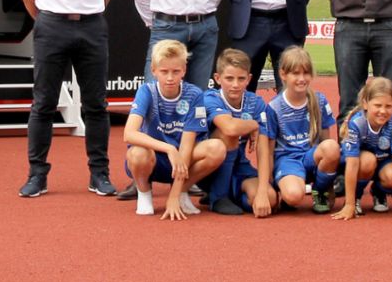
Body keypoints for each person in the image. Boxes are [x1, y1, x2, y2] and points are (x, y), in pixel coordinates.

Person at [17, 0, 119, 199]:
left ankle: (99, 175)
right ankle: (37, 175)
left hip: (91, 27)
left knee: (96, 106)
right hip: (51, 27)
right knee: (43, 104)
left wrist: (84, 13)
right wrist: (48, 19)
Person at [123, 39, 226, 219]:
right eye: (164, 72)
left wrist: (174, 196)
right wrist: (169, 148)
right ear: (154, 71)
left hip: (182, 161)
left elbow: (186, 147)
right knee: (137, 153)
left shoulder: (194, 94)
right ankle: (144, 193)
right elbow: (129, 134)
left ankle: (182, 192)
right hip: (155, 158)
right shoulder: (146, 91)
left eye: (176, 71)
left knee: (216, 148)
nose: (170, 78)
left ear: (184, 71)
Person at [255, 46, 341, 216]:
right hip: (287, 160)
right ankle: (287, 188)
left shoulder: (319, 101)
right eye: (295, 73)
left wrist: (329, 183)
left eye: (306, 73)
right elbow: (268, 151)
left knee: (332, 147)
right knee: (294, 196)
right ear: (283, 75)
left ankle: (320, 190)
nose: (302, 79)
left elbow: (326, 142)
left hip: (311, 156)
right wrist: (267, 188)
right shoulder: (274, 107)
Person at [332, 76, 392, 222]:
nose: (383, 111)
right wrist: (349, 204)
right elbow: (352, 164)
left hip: (383, 164)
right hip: (362, 164)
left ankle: (378, 191)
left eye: (388, 106)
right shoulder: (356, 124)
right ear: (365, 104)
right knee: (367, 160)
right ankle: (356, 198)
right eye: (378, 105)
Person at [200, 48, 273, 215]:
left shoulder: (256, 103)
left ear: (249, 79)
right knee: (229, 134)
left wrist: (261, 192)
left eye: (241, 79)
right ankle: (218, 196)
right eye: (229, 78)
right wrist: (254, 124)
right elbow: (230, 128)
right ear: (217, 78)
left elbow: (263, 147)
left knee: (270, 199)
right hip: (209, 166)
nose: (235, 84)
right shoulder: (210, 98)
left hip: (239, 164)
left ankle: (233, 194)